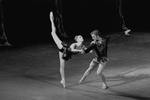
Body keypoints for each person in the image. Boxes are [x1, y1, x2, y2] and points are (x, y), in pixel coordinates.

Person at [50, 12, 85, 88]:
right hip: (62, 48)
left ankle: (63, 80)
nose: (81, 37)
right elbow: (72, 49)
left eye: (81, 36)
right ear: (77, 40)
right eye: (79, 37)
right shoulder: (74, 44)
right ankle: (52, 20)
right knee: (53, 33)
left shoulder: (82, 46)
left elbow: (87, 50)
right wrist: (79, 51)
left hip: (66, 54)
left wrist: (90, 50)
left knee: (62, 66)